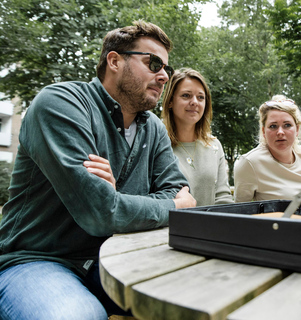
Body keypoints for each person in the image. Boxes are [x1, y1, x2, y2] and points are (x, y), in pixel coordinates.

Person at [0, 21, 196, 319]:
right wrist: (166, 205)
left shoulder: (154, 128)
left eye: (166, 69)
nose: (164, 76)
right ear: (114, 60)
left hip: (118, 258)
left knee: (199, 293)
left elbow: (179, 194)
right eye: (153, 63)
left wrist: (116, 199)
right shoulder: (60, 103)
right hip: (37, 261)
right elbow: (100, 213)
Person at [162, 68, 233, 206]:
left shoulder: (214, 146)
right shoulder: (158, 144)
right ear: (170, 101)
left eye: (200, 97)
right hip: (171, 226)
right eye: (186, 95)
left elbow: (223, 197)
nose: (194, 102)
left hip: (212, 225)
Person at [234, 95, 301, 203]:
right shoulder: (250, 163)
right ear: (263, 131)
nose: (280, 132)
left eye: (287, 125)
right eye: (273, 126)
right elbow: (241, 212)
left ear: (297, 129)